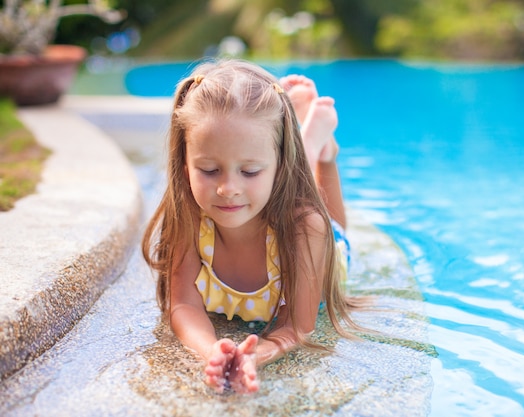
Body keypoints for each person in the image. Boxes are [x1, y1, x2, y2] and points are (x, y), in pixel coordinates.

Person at [142, 59, 363, 394]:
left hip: (315, 235)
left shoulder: (307, 230)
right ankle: (304, 138)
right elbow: (183, 304)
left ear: (276, 166)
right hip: (274, 175)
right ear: (184, 161)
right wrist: (210, 351)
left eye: (249, 172)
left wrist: (259, 354)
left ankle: (320, 147)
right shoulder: (188, 216)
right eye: (209, 169)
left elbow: (297, 328)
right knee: (269, 173)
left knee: (331, 226)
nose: (227, 188)